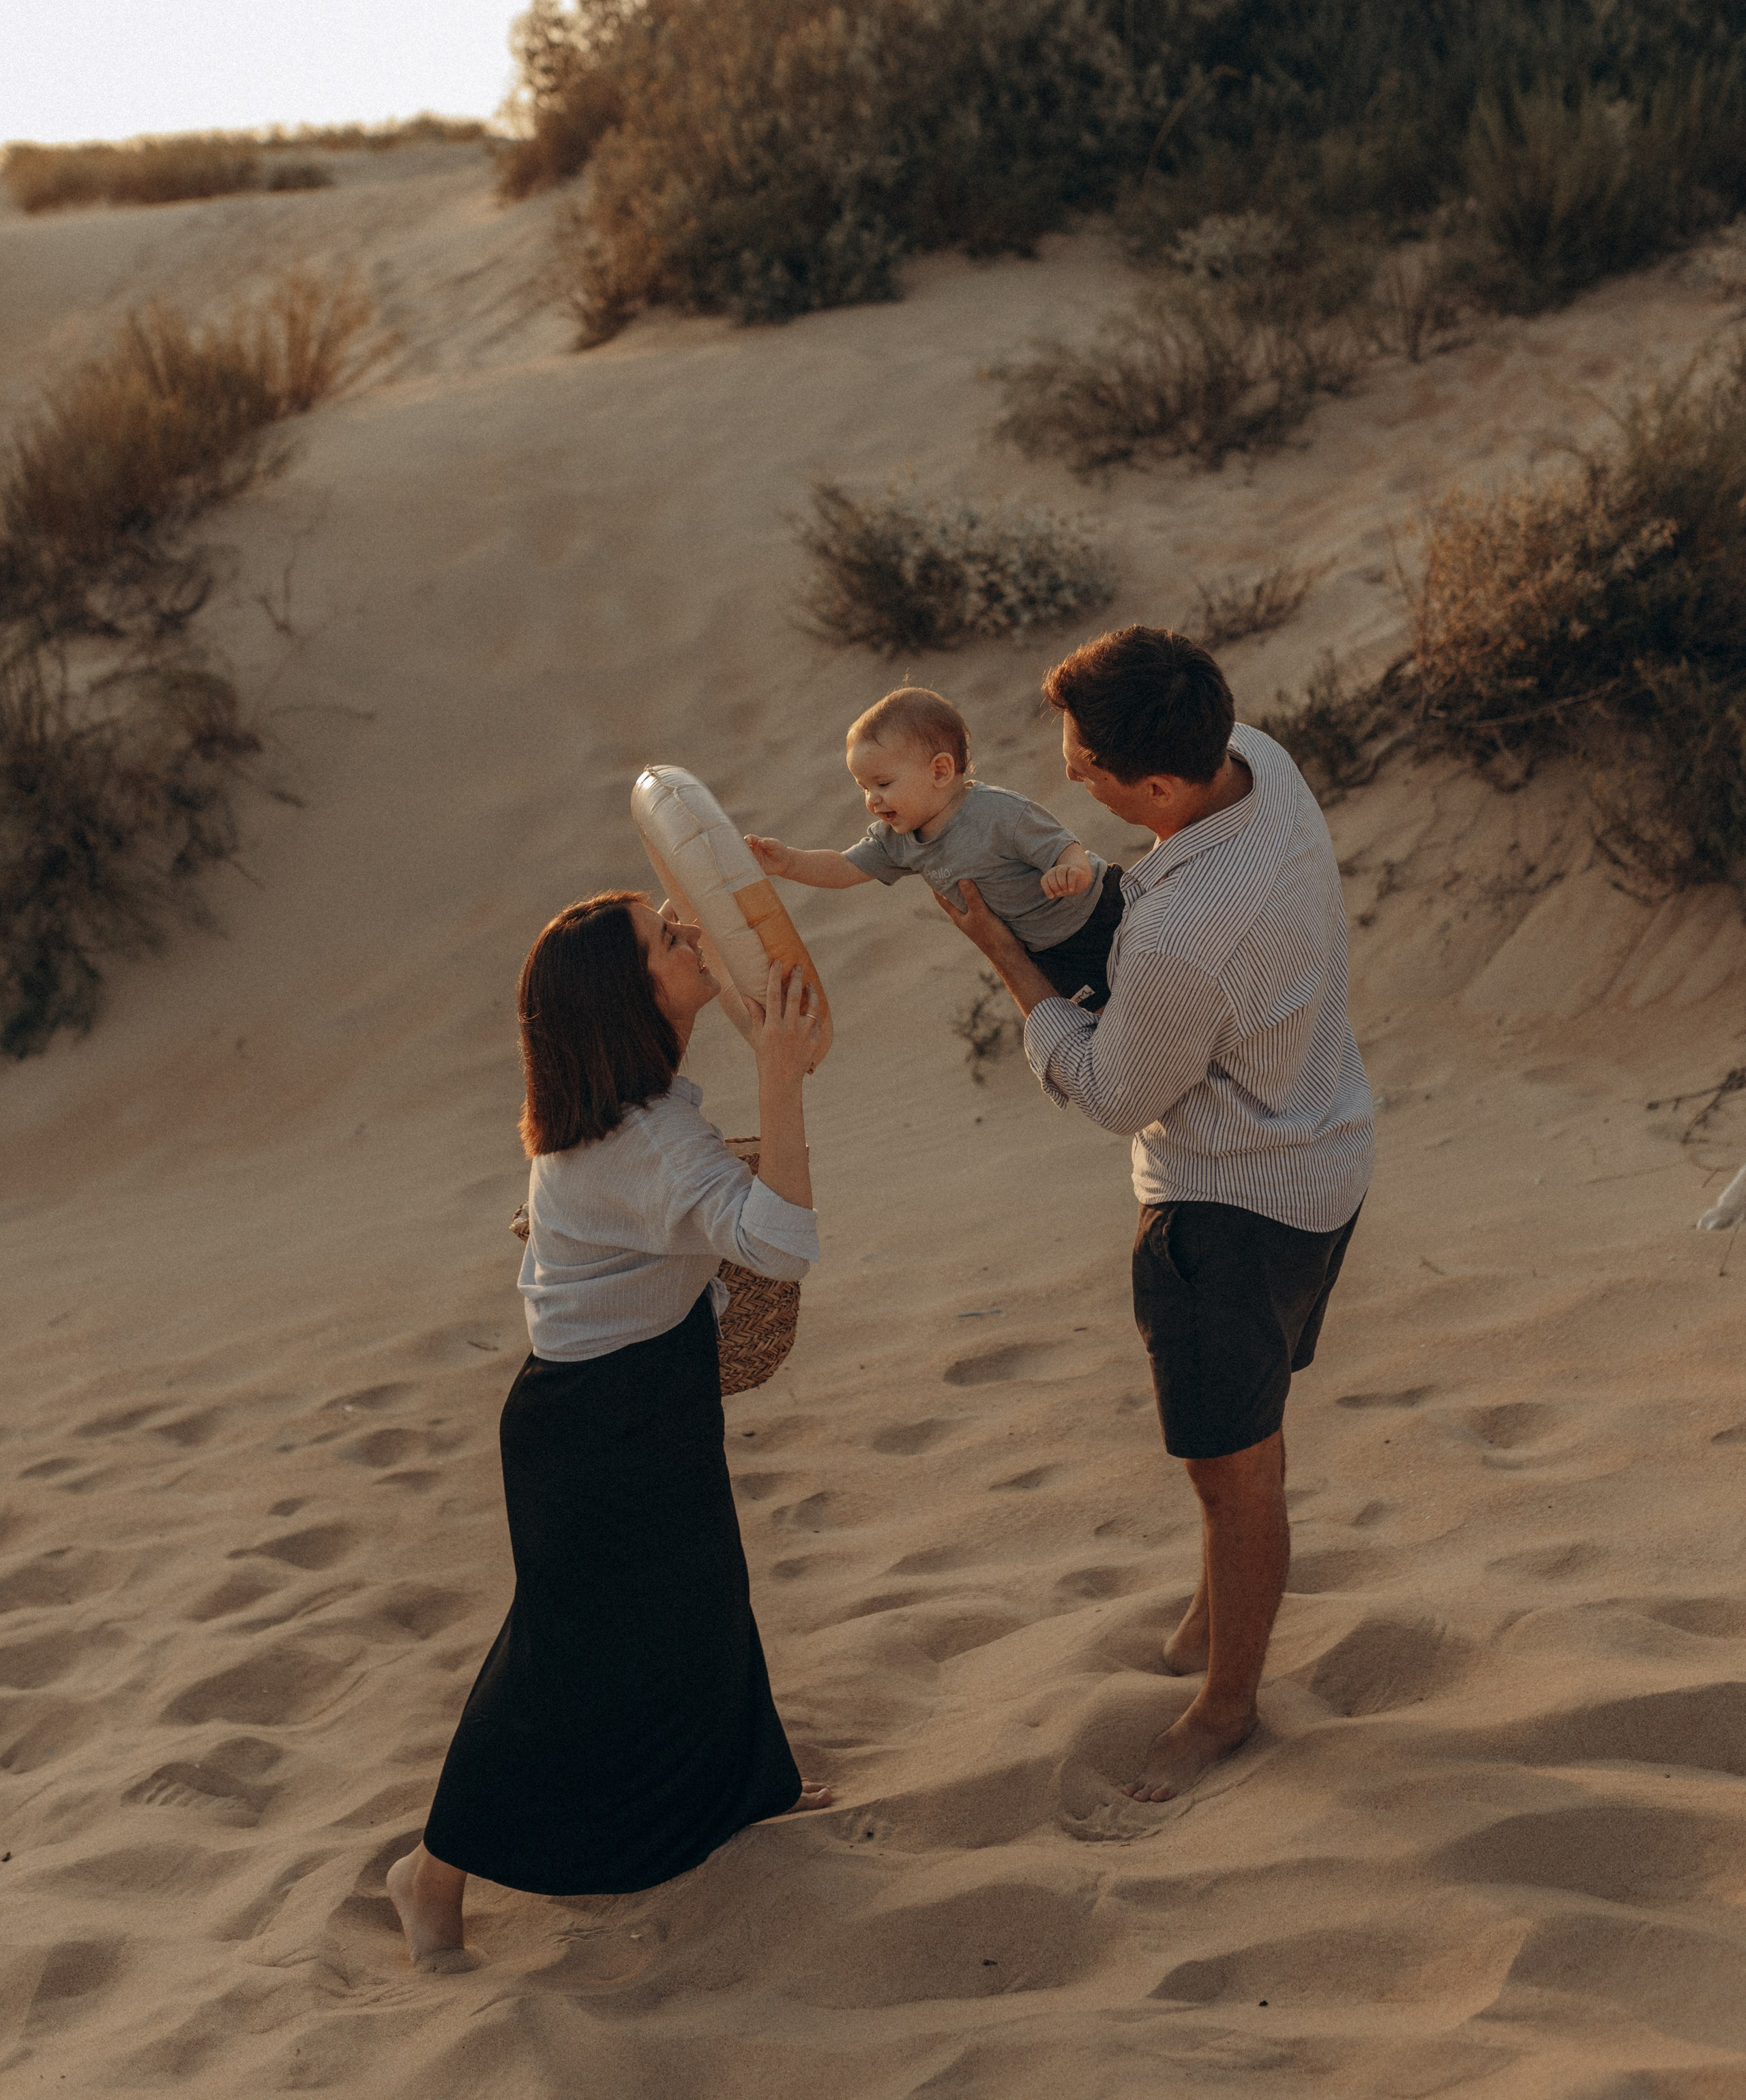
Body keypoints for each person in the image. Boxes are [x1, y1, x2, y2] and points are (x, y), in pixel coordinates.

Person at [932, 628, 1374, 1803]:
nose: (1074, 775)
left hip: (1229, 1213)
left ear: (1164, 785)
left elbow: (1118, 1090)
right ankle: (1202, 1617)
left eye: (1089, 766)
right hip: (1326, 1159)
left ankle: (1226, 1707)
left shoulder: (1184, 935)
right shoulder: (1262, 765)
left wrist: (1007, 963)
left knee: (1235, 1473)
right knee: (1247, 1427)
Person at [387, 891, 832, 1966]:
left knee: (699, 1599)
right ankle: (431, 1871)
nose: (686, 925)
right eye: (661, 937)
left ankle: (738, 1795)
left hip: (648, 1387)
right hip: (590, 1426)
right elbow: (781, 1243)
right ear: (623, 999)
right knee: (562, 1660)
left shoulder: (645, 1110)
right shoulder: (647, 1141)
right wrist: (778, 1072)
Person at [748, 685, 1126, 1012]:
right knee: (1107, 1017)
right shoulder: (898, 839)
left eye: (883, 783)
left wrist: (1071, 869)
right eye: (864, 787)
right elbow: (845, 868)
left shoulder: (996, 812)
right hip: (1049, 953)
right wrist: (789, 862)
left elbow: (1062, 844)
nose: (872, 800)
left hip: (1098, 910)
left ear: (941, 771)